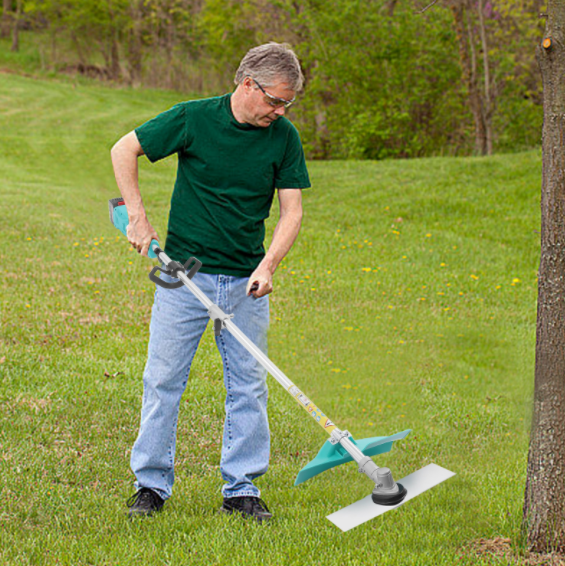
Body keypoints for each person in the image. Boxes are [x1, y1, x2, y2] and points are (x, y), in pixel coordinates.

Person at [110, 42, 310, 523]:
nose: (280, 111)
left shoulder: (283, 136)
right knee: (163, 381)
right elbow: (125, 148)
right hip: (185, 276)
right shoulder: (193, 118)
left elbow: (292, 211)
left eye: (287, 104)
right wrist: (137, 215)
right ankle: (151, 485)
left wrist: (269, 266)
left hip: (246, 282)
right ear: (247, 84)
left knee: (248, 387)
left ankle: (241, 489)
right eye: (275, 100)